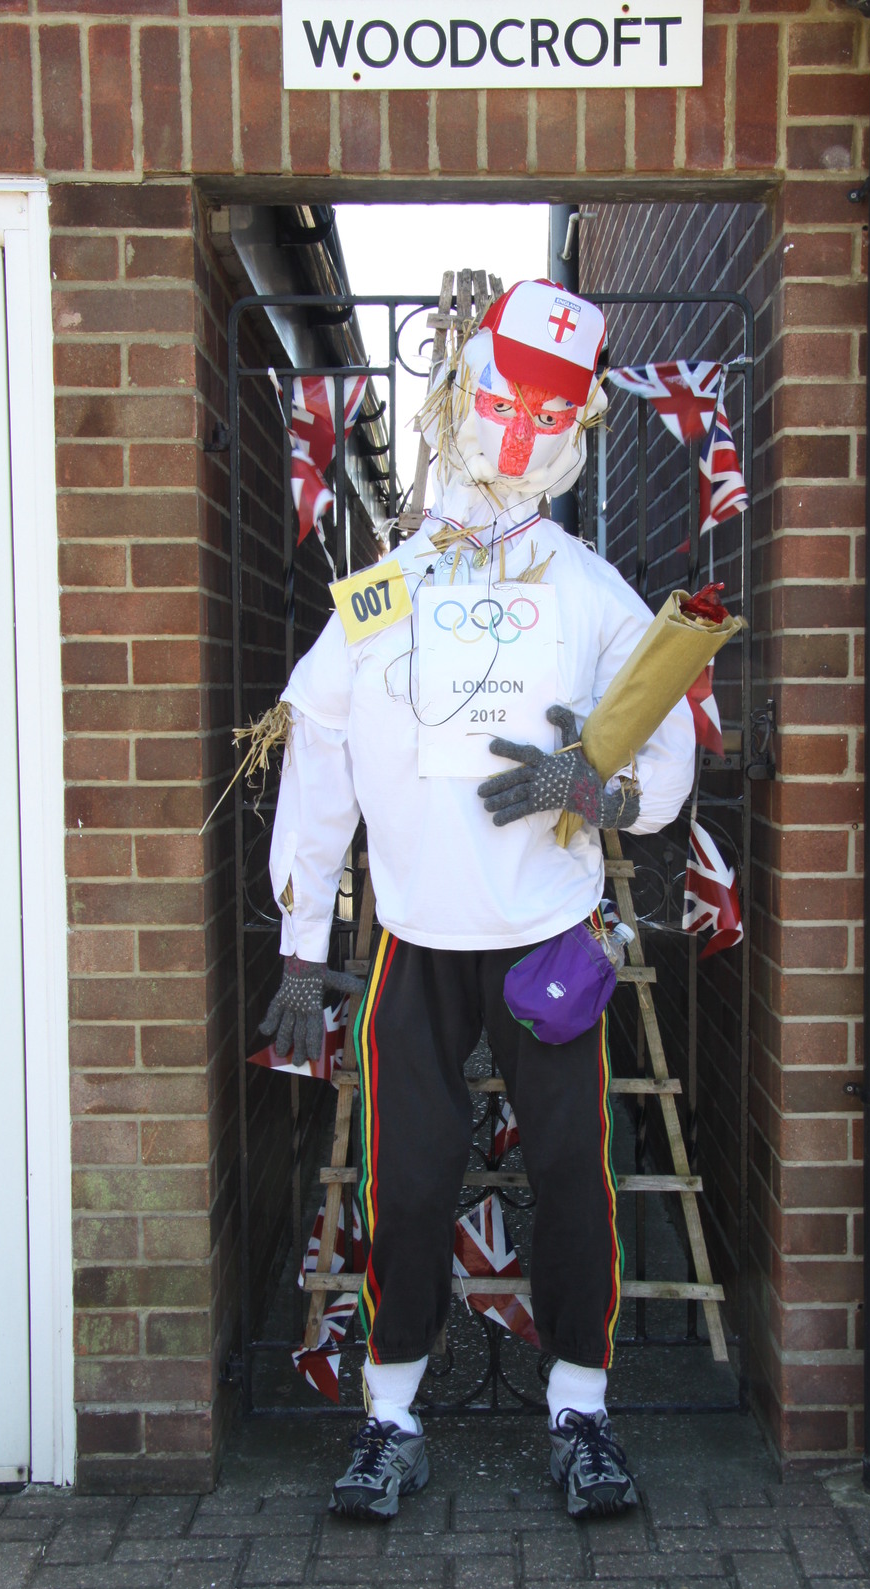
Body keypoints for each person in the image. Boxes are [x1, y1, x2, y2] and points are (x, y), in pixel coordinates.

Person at [262, 279, 696, 1519]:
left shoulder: (589, 591)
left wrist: (590, 788)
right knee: (404, 1178)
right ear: (464, 395)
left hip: (545, 936)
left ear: (577, 426)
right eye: (503, 401)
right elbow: (317, 743)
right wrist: (302, 942)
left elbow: (664, 753)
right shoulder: (386, 590)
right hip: (414, 937)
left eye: (547, 414)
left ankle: (578, 1409)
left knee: (572, 1172)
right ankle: (389, 1414)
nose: (516, 435)